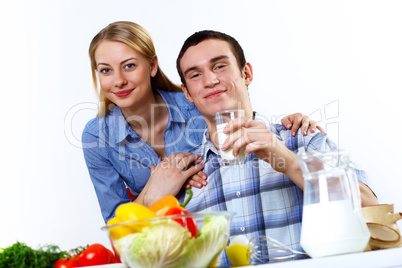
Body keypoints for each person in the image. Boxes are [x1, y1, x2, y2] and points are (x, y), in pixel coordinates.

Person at [82, 21, 323, 223]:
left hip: (214, 217)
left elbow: (241, 120)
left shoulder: (196, 101)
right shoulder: (98, 136)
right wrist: (153, 192)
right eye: (105, 70)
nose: (119, 81)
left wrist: (290, 128)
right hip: (160, 233)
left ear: (152, 65)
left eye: (129, 66)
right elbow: (116, 228)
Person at [175, 30, 378, 265]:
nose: (210, 81)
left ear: (246, 73)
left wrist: (288, 161)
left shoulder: (301, 139)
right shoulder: (184, 178)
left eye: (220, 66)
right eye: (195, 74)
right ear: (187, 93)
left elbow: (372, 210)